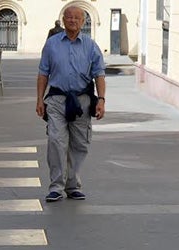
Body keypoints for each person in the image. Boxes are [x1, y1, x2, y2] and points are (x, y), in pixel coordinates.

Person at [36, 7, 105, 202]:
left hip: (82, 101)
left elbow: (99, 74)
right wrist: (39, 99)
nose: (73, 20)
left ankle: (72, 184)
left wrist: (101, 100)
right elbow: (43, 73)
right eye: (69, 17)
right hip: (57, 100)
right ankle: (56, 186)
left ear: (83, 22)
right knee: (56, 141)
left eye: (77, 18)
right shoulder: (52, 44)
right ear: (63, 20)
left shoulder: (91, 46)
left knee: (80, 143)